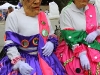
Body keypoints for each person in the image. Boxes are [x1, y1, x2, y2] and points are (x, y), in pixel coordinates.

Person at [0, 0, 65, 75]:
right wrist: (19, 63)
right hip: (24, 60)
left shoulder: (43, 15)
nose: (37, 2)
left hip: (46, 59)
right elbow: (10, 42)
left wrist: (51, 43)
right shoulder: (13, 16)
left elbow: (51, 34)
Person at [55, 0, 100, 75]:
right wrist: (81, 54)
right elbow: (68, 35)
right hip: (74, 46)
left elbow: (98, 25)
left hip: (95, 45)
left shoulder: (93, 8)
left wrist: (96, 32)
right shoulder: (66, 11)